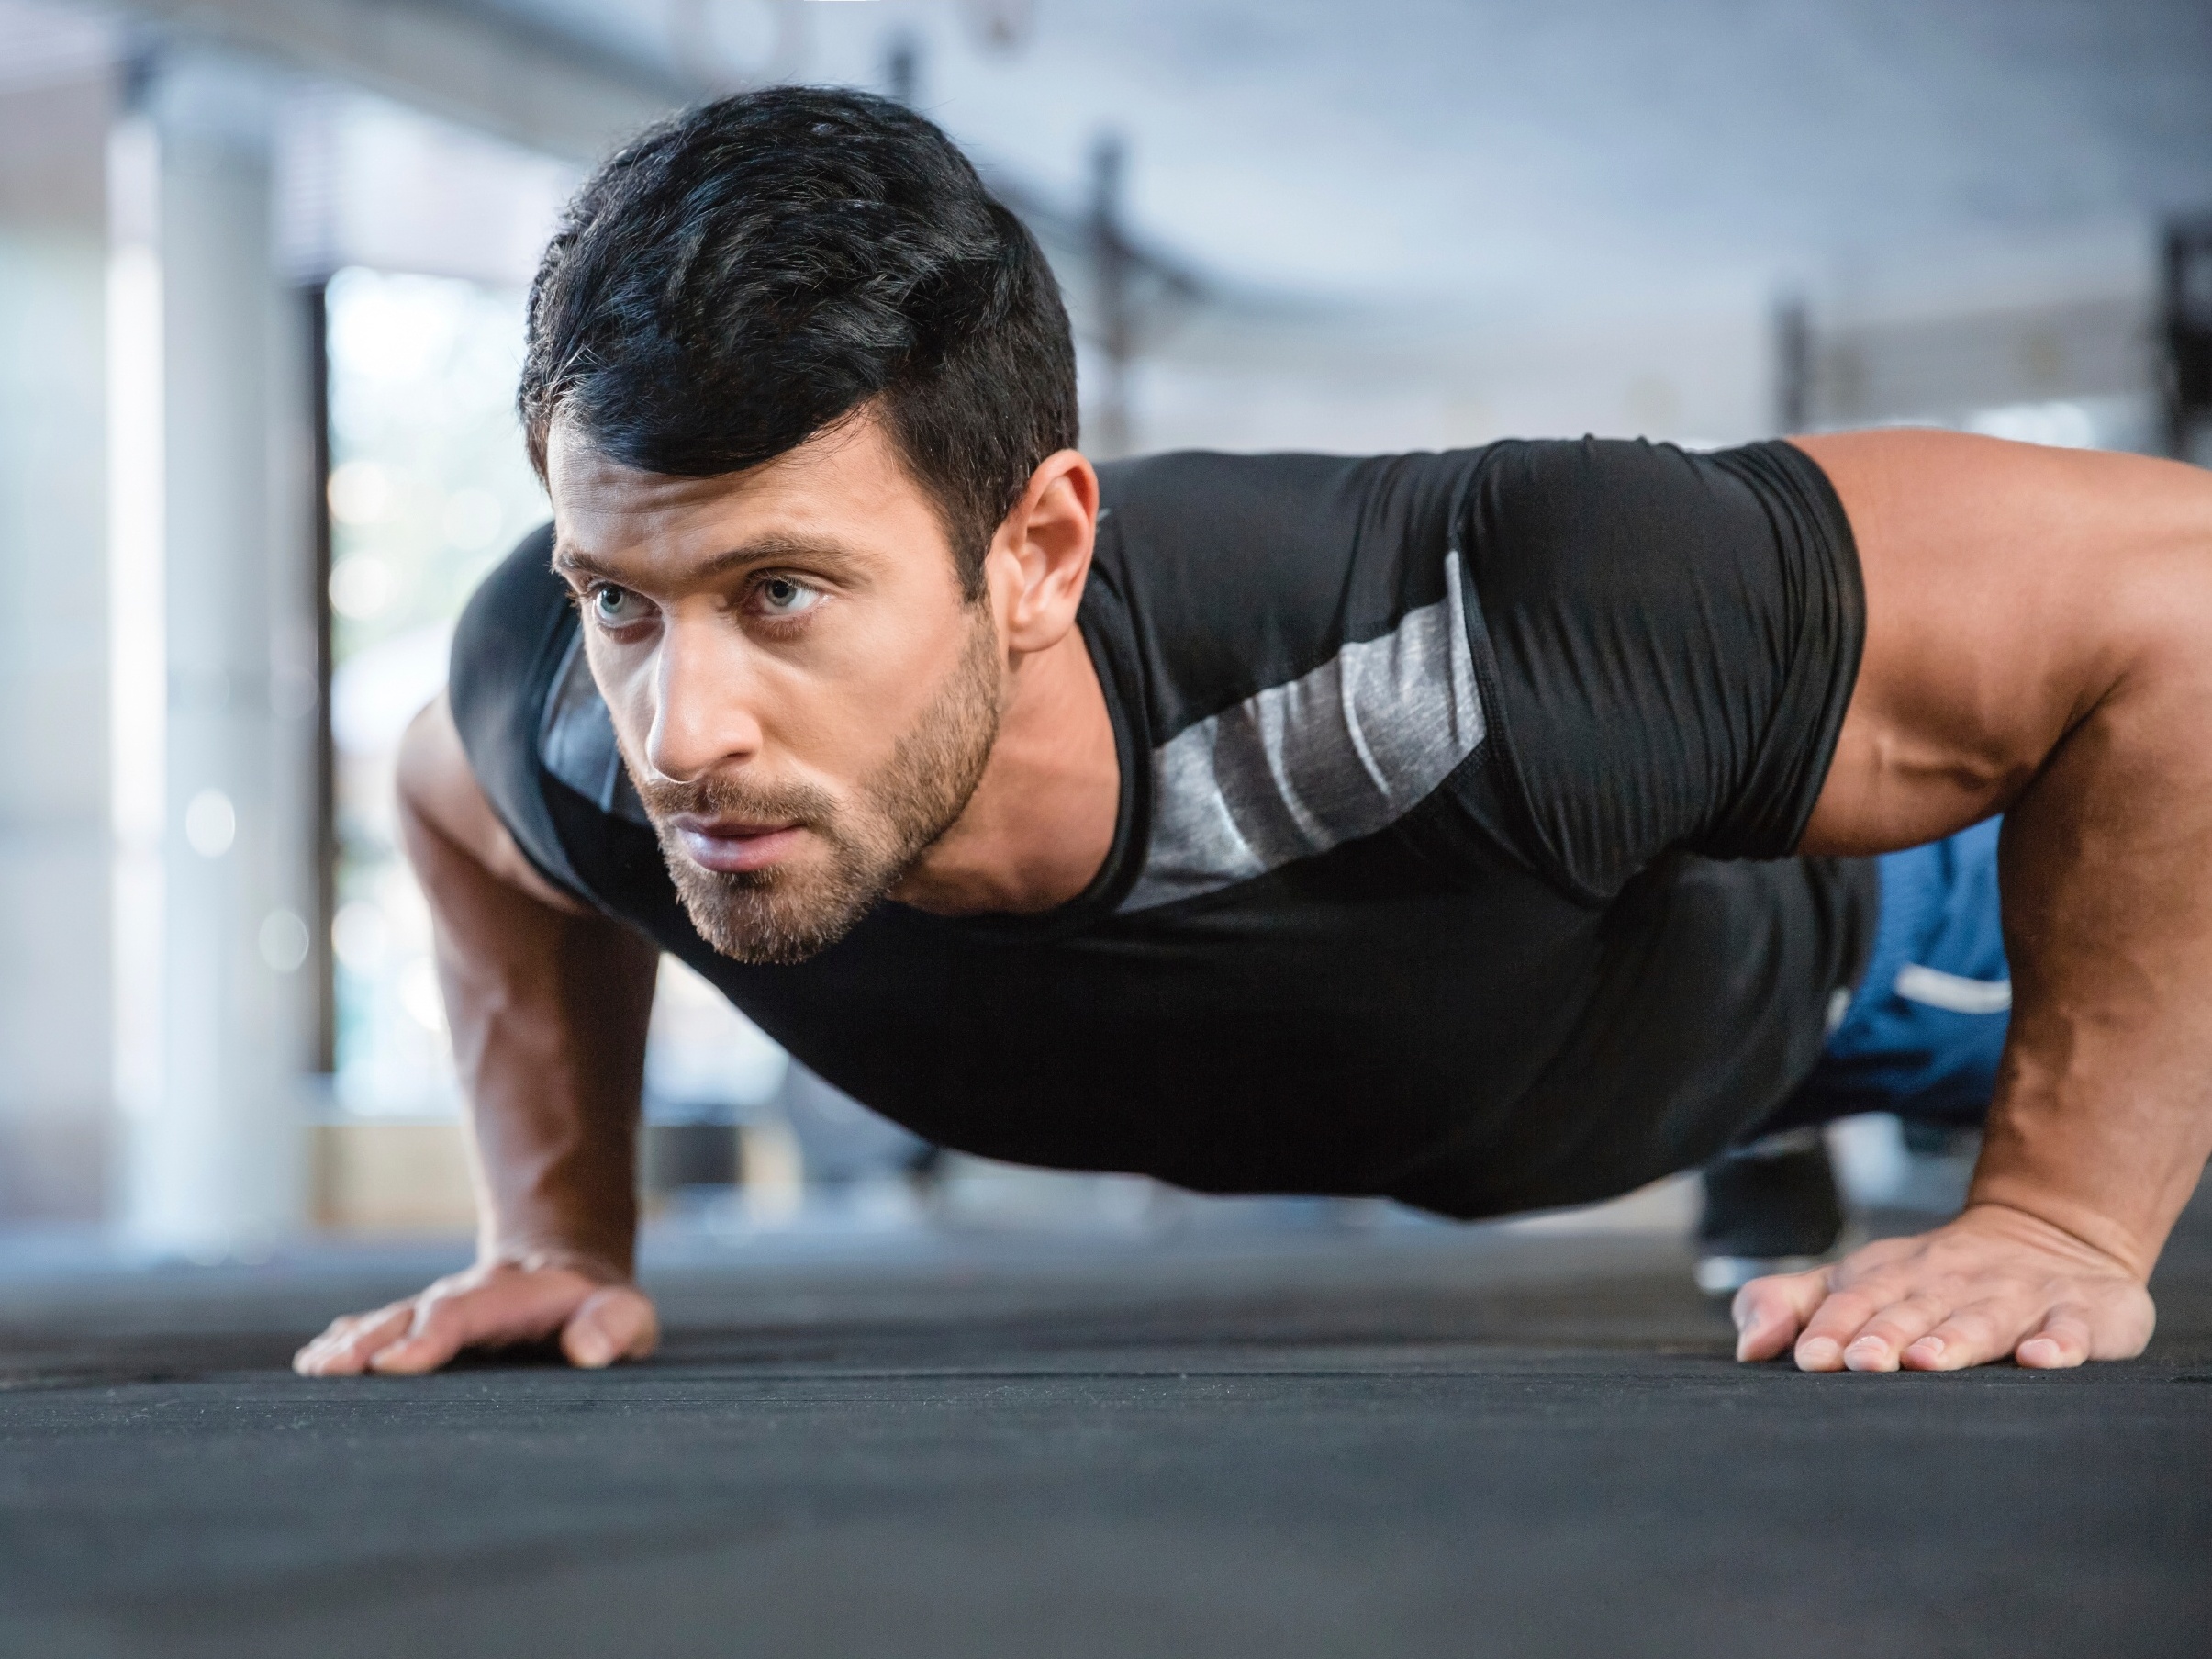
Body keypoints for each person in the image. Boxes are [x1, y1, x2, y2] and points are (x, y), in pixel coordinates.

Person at [295, 87, 2212, 1382]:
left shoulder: (1481, 619)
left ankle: (1800, 1121)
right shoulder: (558, 712)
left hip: (1859, 946)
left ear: (1036, 553)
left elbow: (2179, 597)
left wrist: (2056, 1218)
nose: (680, 732)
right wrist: (558, 1232)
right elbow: (448, 803)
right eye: (625, 597)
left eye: (782, 593)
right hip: (1511, 1045)